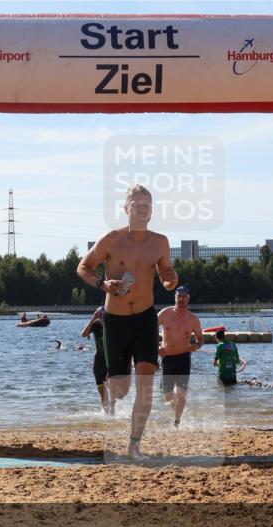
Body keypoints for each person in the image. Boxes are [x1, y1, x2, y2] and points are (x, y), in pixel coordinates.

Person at [77, 184, 178, 459]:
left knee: (146, 387)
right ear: (126, 209)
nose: (142, 209)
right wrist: (101, 282)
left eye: (146, 205)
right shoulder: (111, 239)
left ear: (152, 210)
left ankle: (134, 445)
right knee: (121, 391)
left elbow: (166, 270)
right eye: (137, 205)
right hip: (116, 321)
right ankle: (115, 381)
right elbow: (83, 267)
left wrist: (170, 279)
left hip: (145, 318)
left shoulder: (160, 242)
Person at [157, 285, 204, 427]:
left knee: (181, 392)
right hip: (167, 358)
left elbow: (200, 339)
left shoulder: (193, 319)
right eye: (179, 296)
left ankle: (177, 421)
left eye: (184, 296)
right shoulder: (165, 313)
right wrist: (156, 347)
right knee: (168, 395)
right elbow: (149, 331)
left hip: (184, 358)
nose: (181, 299)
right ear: (175, 297)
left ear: (188, 299)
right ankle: (175, 405)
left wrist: (196, 345)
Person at [81, 307, 113, 414]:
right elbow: (84, 334)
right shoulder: (95, 325)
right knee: (102, 391)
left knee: (112, 388)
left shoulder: (112, 325)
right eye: (99, 315)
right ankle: (107, 414)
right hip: (98, 360)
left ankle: (114, 412)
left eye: (102, 315)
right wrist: (93, 318)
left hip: (111, 361)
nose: (100, 317)